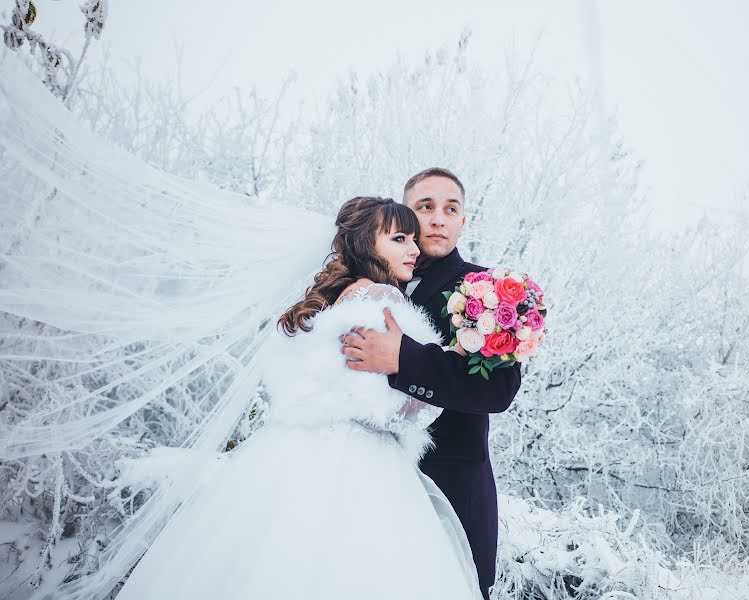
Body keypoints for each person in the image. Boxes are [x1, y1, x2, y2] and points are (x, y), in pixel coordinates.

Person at [111, 197, 483, 600]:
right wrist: (449, 367)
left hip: (290, 453)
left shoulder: (333, 299)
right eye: (399, 238)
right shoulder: (382, 298)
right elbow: (381, 409)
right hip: (359, 463)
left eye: (413, 239)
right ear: (364, 244)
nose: (414, 249)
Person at [341, 168, 522, 599]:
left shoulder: (488, 291)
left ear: (463, 221)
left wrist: (402, 359)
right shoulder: (362, 286)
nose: (438, 218)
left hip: (451, 485)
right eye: (425, 207)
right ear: (405, 215)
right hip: (358, 479)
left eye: (451, 208)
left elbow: (497, 391)